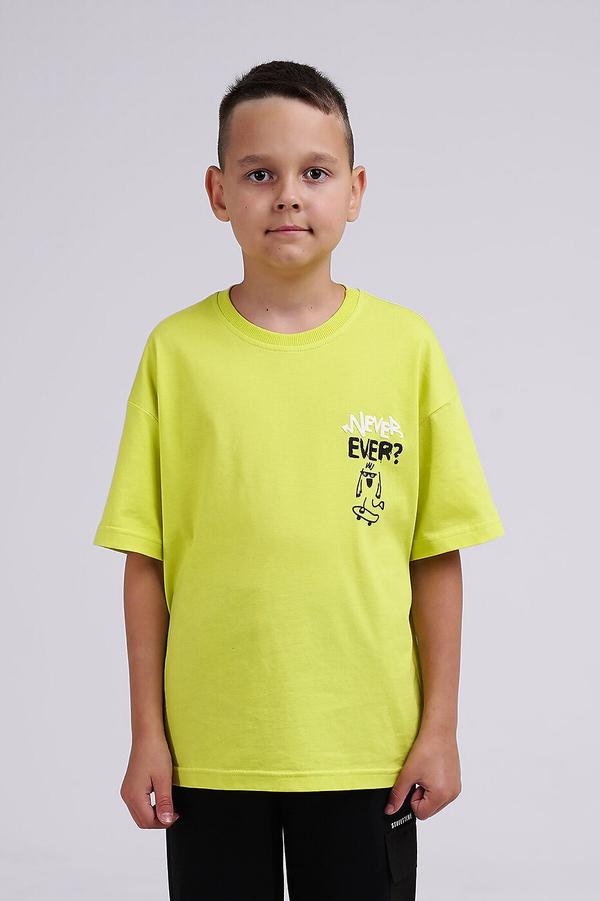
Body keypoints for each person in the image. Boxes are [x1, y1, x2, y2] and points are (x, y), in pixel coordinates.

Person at [93, 59, 504, 901]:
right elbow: (145, 558)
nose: (287, 196)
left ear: (355, 190)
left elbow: (436, 553)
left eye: (315, 172)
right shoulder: (176, 353)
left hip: (368, 749)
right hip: (212, 750)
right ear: (218, 192)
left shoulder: (406, 348)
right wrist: (147, 735)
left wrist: (441, 726)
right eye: (259, 174)